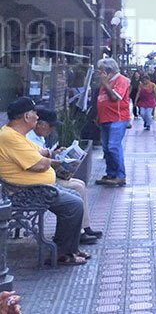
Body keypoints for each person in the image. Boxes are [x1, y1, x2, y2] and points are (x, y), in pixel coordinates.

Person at [0, 98, 88, 265]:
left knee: (75, 195)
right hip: (25, 191)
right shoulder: (9, 137)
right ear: (26, 116)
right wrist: (54, 162)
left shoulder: (17, 135)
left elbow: (40, 152)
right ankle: (62, 254)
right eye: (34, 113)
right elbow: (39, 165)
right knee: (73, 204)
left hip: (37, 188)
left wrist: (51, 154)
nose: (37, 116)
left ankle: (69, 248)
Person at [28, 108, 103, 243]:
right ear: (41, 124)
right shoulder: (29, 139)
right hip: (40, 181)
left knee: (80, 184)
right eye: (51, 126)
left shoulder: (39, 137)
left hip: (48, 176)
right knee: (77, 188)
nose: (52, 130)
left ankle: (85, 226)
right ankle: (78, 231)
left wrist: (56, 154)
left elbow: (43, 157)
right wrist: (55, 161)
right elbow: (37, 162)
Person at [96, 58, 131, 186]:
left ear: (108, 71)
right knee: (106, 148)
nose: (99, 74)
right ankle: (111, 173)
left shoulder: (121, 80)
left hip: (118, 118)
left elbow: (114, 97)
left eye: (101, 71)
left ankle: (120, 175)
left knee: (113, 146)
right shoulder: (105, 82)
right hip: (105, 118)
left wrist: (105, 83)